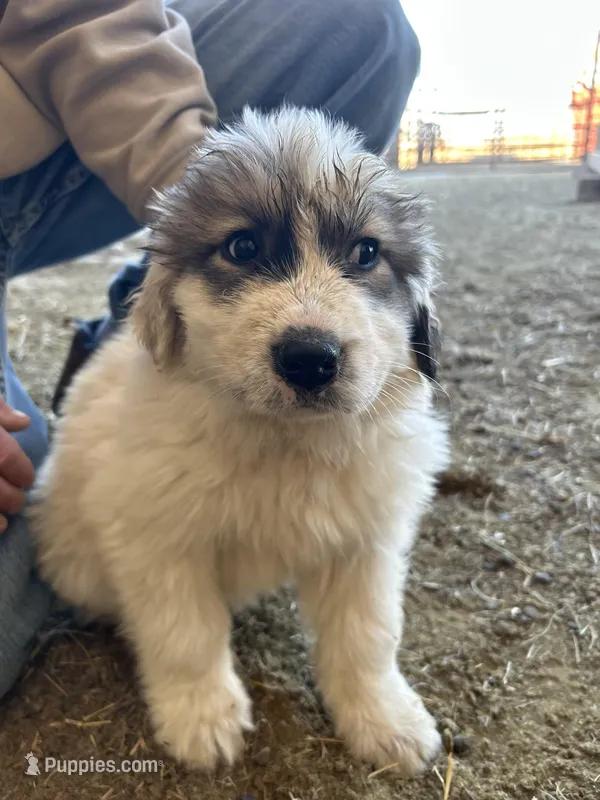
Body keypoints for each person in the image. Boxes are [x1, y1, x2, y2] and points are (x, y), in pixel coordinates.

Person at [0, 0, 420, 699]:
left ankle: (154, 308)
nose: (309, 317)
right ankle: (162, 316)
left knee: (362, 24)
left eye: (365, 254)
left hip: (41, 126)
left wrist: (215, 202)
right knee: (45, 537)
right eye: (245, 251)